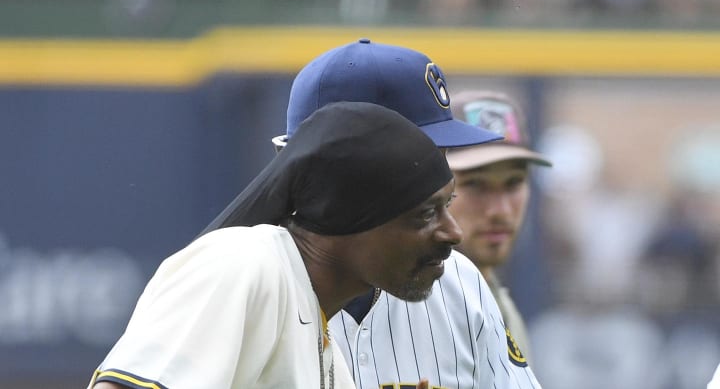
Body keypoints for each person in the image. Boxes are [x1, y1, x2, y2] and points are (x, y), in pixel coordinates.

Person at [88, 101, 462, 389]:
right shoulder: (245, 262)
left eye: (447, 206)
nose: (453, 232)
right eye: (425, 213)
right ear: (350, 215)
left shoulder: (326, 349)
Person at [245, 39, 542, 388]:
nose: (440, 177)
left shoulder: (462, 284)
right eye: (424, 157)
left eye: (443, 156)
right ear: (343, 169)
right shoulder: (241, 285)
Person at [444, 90, 552, 363]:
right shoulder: (406, 308)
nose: (500, 211)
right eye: (475, 184)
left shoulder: (501, 306)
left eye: (514, 183)